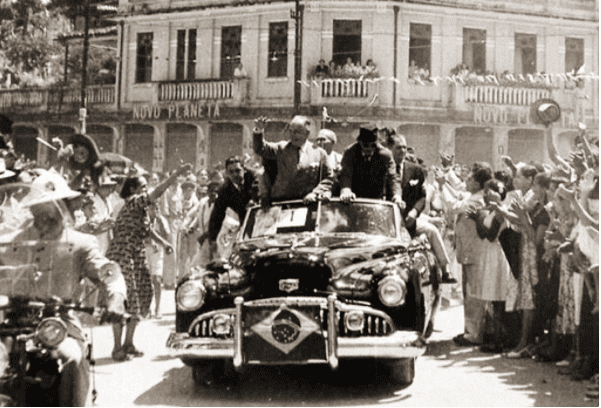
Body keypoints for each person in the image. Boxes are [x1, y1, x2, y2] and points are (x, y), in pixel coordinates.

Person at [1, 171, 127, 406]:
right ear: (31, 208)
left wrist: (115, 300)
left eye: (55, 206)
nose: (47, 214)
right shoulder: (10, 242)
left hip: (58, 323)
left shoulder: (81, 243)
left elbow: (108, 273)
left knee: (71, 359)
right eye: (41, 207)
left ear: (65, 207)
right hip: (10, 323)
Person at [106, 162, 192, 361]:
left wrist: (164, 243)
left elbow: (147, 230)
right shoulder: (134, 201)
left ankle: (129, 343)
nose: (146, 190)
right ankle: (117, 348)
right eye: (143, 186)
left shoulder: (141, 209)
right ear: (134, 189)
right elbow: (158, 192)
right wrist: (176, 175)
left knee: (143, 294)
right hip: (122, 255)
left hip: (136, 254)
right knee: (123, 301)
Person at [438, 162, 493, 345]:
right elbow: (459, 191)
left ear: (477, 183)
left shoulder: (476, 200)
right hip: (469, 250)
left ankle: (473, 334)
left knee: (473, 294)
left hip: (474, 252)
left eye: (470, 178)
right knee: (469, 293)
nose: (466, 181)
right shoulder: (474, 195)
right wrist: (447, 176)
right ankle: (470, 331)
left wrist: (441, 185)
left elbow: (454, 205)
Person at [389, 134, 456, 284]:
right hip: (387, 222)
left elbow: (421, 197)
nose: (402, 151)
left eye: (404, 147)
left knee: (432, 230)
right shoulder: (381, 168)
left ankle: (445, 270)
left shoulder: (415, 170)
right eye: (398, 147)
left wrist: (414, 212)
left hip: (410, 221)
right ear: (389, 149)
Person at [253, 115, 334, 203]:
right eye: (291, 131)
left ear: (307, 133)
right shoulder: (281, 148)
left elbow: (328, 178)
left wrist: (315, 193)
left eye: (297, 132)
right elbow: (260, 149)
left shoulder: (319, 153)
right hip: (281, 204)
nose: (293, 135)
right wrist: (259, 130)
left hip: (307, 204)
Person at [208, 156, 258, 260]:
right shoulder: (225, 189)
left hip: (264, 219)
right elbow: (217, 215)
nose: (235, 174)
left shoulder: (255, 177)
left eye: (238, 170)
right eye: (231, 172)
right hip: (245, 224)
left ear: (244, 169)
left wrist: (256, 200)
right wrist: (212, 239)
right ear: (226, 173)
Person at [338, 123, 402, 204]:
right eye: (366, 145)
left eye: (373, 145)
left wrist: (397, 195)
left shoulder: (385, 155)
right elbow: (345, 174)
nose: (369, 148)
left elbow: (393, 177)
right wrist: (345, 190)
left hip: (376, 200)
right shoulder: (350, 152)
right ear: (359, 142)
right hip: (353, 200)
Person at [145, 202, 172, 319]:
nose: (154, 212)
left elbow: (167, 235)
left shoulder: (161, 221)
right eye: (151, 209)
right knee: (146, 279)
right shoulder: (143, 220)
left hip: (157, 251)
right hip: (145, 250)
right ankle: (147, 308)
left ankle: (158, 307)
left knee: (156, 279)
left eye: (156, 209)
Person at [189, 180, 222, 268]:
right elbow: (198, 216)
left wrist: (205, 235)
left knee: (214, 265)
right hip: (204, 241)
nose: (214, 193)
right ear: (208, 192)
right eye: (212, 191)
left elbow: (218, 225)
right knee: (196, 266)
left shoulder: (220, 205)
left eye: (216, 191)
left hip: (215, 241)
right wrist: (192, 227)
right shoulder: (203, 203)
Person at [178, 174, 200, 281]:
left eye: (191, 189)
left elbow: (195, 217)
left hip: (192, 232)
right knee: (182, 256)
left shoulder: (196, 202)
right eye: (186, 189)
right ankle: (181, 278)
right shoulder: (180, 201)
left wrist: (189, 227)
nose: (188, 191)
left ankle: (192, 277)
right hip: (182, 231)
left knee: (192, 255)